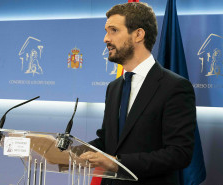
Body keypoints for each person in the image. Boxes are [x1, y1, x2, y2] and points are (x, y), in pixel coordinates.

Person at [80, 2, 196, 185]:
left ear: (138, 35)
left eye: (113, 31)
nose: (105, 39)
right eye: (106, 31)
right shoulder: (114, 87)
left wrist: (118, 163)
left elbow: (179, 153)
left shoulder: (175, 87)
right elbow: (108, 140)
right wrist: (70, 152)